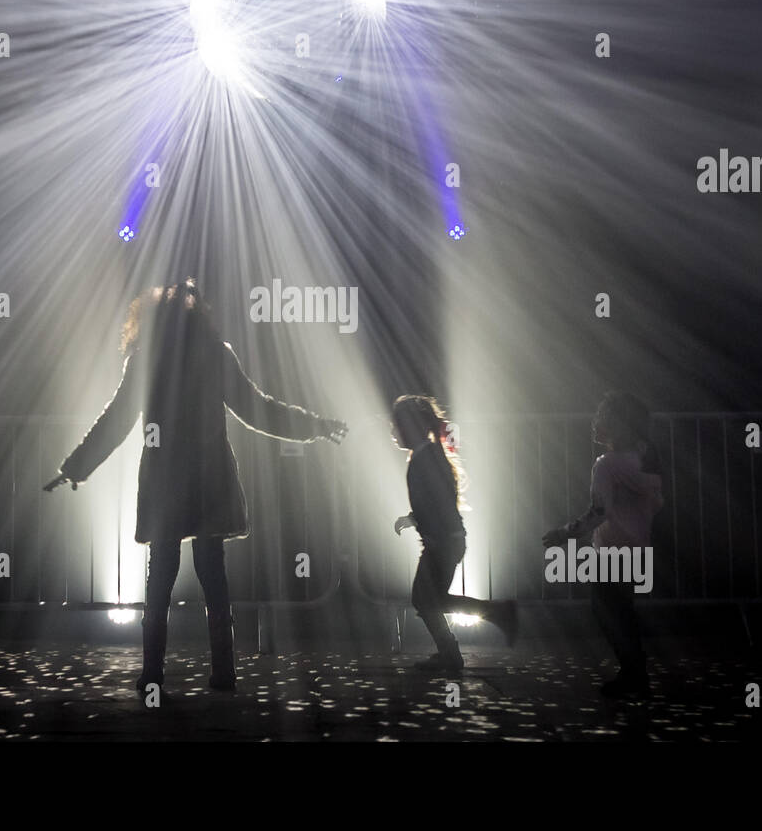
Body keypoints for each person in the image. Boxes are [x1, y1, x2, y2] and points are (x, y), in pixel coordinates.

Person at [44, 279, 347, 693]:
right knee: (213, 576)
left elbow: (116, 420)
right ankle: (224, 673)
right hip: (209, 477)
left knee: (160, 579)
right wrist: (314, 426)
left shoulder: (145, 359)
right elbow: (258, 410)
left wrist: (76, 467)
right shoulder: (214, 354)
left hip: (164, 479)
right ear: (197, 315)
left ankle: (152, 672)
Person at [542, 391, 663, 698]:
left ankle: (633, 673)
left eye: (603, 419)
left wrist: (565, 533)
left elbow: (599, 511)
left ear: (619, 425)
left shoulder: (606, 465)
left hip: (611, 549)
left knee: (607, 610)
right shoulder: (644, 461)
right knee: (622, 611)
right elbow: (658, 502)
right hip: (637, 547)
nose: (596, 424)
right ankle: (635, 671)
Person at [391, 394, 518, 674]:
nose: (393, 433)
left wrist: (438, 534)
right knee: (429, 600)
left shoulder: (426, 459)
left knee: (426, 600)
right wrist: (414, 519)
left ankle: (483, 625)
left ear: (412, 427)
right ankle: (460, 644)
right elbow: (434, 501)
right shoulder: (426, 456)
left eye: (397, 426)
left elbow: (439, 500)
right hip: (444, 540)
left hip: (443, 542)